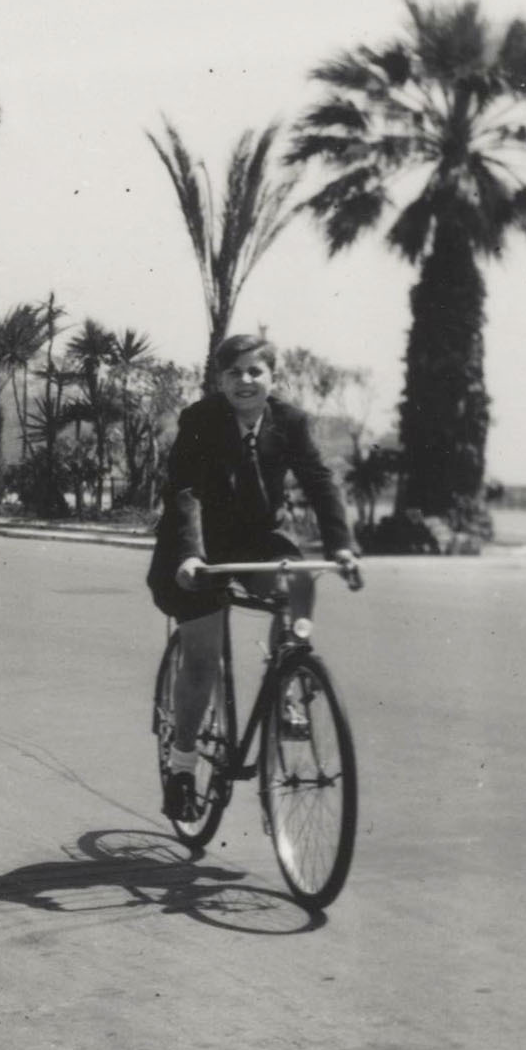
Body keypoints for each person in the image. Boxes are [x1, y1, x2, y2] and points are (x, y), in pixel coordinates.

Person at [147, 334, 360, 820]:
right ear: (219, 381)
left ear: (272, 378)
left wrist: (342, 546)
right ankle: (182, 767)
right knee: (202, 659)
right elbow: (185, 493)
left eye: (254, 371)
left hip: (258, 538)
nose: (245, 381)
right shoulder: (200, 421)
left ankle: (289, 682)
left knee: (300, 580)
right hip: (198, 547)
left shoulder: (290, 422)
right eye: (234, 373)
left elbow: (320, 482)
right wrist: (189, 556)